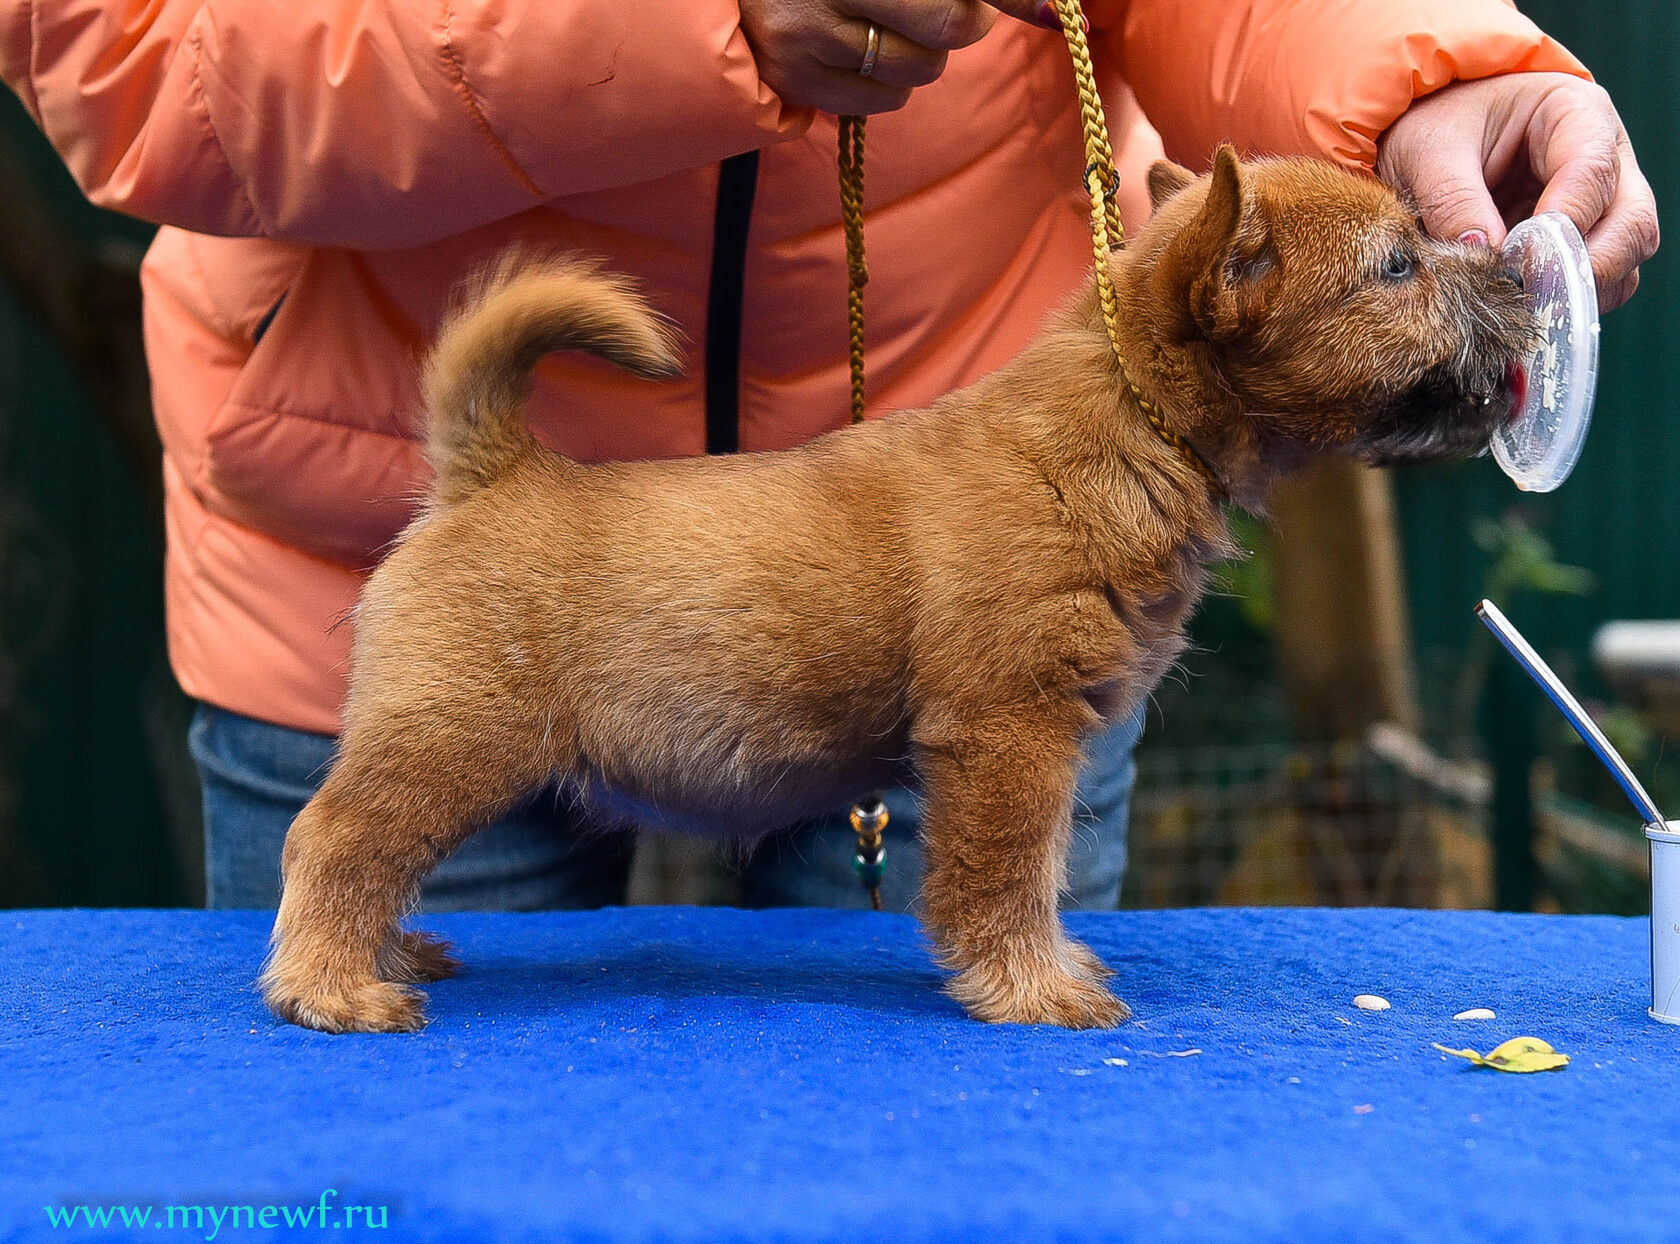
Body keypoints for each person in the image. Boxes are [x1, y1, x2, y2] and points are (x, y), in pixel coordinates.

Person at [0, 0, 1657, 913]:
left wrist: (1441, 67)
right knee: (378, 1151)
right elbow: (120, 43)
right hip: (393, 522)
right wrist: (687, 26)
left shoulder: (1119, 479)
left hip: (942, 457)